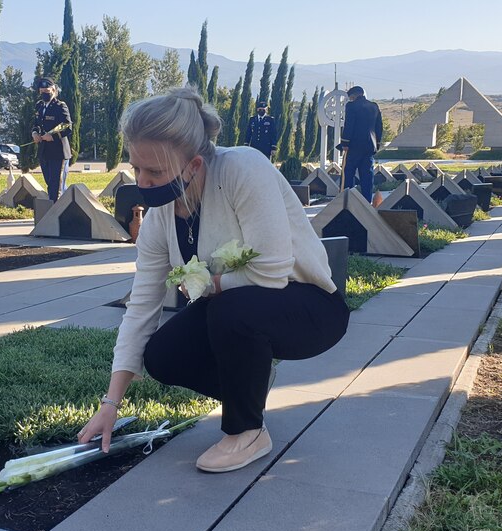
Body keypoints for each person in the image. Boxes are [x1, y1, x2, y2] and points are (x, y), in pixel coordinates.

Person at [77, 88, 350, 473]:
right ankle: (251, 381)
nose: (143, 182)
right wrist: (110, 403)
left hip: (311, 309)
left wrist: (209, 287)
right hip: (238, 311)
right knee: (162, 355)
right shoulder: (160, 218)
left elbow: (272, 271)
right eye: (136, 168)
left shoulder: (243, 169)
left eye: (155, 171)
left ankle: (247, 432)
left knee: (226, 310)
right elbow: (142, 304)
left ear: (194, 165)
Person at [338, 85, 383, 203]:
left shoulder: (351, 106)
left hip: (353, 146)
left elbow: (349, 125)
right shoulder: (374, 106)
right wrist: (377, 144)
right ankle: (367, 202)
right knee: (367, 177)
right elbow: (379, 127)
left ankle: (347, 200)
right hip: (369, 147)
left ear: (353, 96)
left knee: (348, 175)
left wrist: (344, 143)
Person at [31, 77, 73, 201]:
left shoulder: (60, 106)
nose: (44, 93)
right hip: (44, 151)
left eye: (47, 91)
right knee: (50, 183)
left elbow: (67, 125)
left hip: (58, 151)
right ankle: (54, 209)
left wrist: (53, 136)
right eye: (42, 91)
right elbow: (36, 124)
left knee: (56, 186)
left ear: (53, 90)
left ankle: (56, 213)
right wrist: (35, 133)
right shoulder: (39, 106)